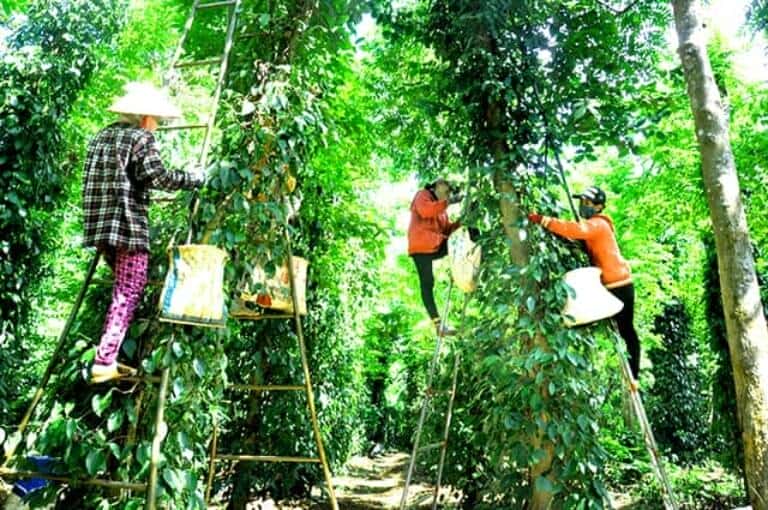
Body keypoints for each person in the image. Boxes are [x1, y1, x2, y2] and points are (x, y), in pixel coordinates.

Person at [83, 82, 203, 383]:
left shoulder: (101, 137)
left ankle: (109, 354)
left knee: (123, 286)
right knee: (130, 288)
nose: (158, 127)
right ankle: (105, 359)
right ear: (147, 118)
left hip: (99, 227)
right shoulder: (141, 138)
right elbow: (157, 176)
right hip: (127, 226)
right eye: (158, 122)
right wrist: (193, 178)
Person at [528, 186, 641, 380]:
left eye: (588, 203)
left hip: (619, 285)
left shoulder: (598, 224)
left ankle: (634, 376)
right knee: (581, 320)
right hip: (606, 285)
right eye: (582, 202)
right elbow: (574, 236)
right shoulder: (593, 226)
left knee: (626, 331)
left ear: (599, 207)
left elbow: (575, 229)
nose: (583, 206)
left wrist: (544, 220)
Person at [407, 178, 463, 336]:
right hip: (421, 246)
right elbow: (426, 211)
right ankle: (438, 324)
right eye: (446, 192)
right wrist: (450, 202)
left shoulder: (442, 211)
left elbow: (448, 230)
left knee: (468, 234)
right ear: (438, 186)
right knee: (427, 282)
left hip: (436, 243)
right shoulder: (422, 195)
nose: (447, 196)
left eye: (449, 194)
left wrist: (462, 221)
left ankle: (469, 266)